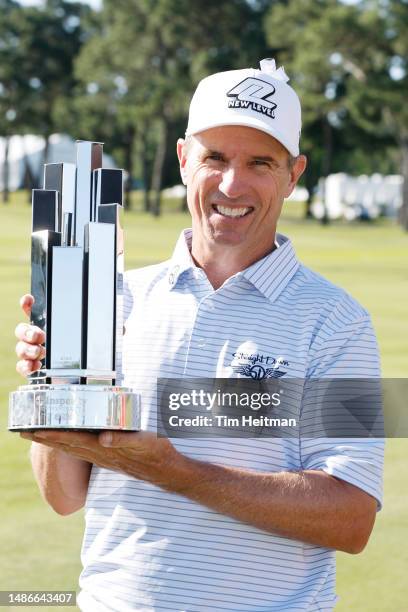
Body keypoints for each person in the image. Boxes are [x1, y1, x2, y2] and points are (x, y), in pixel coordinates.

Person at [15, 59, 383, 611]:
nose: (232, 184)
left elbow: (351, 518)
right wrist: (54, 387)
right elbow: (65, 497)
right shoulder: (113, 298)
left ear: (294, 173)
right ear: (185, 159)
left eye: (261, 161)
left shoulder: (339, 321)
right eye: (215, 157)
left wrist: (177, 472)